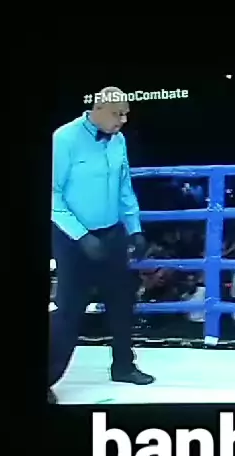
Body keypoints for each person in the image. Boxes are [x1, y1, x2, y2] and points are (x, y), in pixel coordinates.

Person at [50, 87, 154, 404]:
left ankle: (123, 366)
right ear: (97, 109)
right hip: (72, 238)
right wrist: (81, 236)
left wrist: (135, 229)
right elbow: (51, 194)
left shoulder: (118, 140)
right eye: (117, 114)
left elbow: (125, 188)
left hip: (112, 234)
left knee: (122, 303)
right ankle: (46, 376)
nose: (122, 120)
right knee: (69, 311)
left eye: (126, 115)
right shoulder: (64, 139)